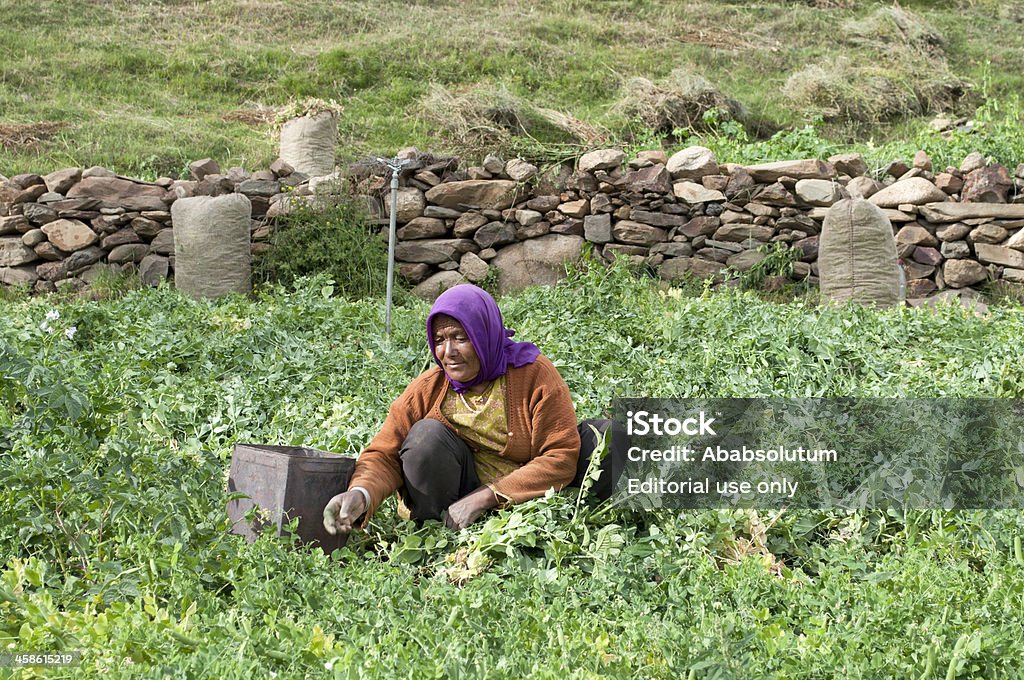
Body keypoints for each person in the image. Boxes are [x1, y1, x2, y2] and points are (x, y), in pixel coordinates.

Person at [323, 284, 626, 537]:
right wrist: (361, 493)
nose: (448, 352)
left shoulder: (532, 374)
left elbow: (560, 456)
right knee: (426, 437)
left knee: (610, 437)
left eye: (460, 337)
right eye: (439, 340)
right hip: (454, 502)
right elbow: (383, 453)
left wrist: (487, 497)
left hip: (533, 493)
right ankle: (434, 530)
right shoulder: (429, 388)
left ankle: (647, 505)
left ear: (484, 334)